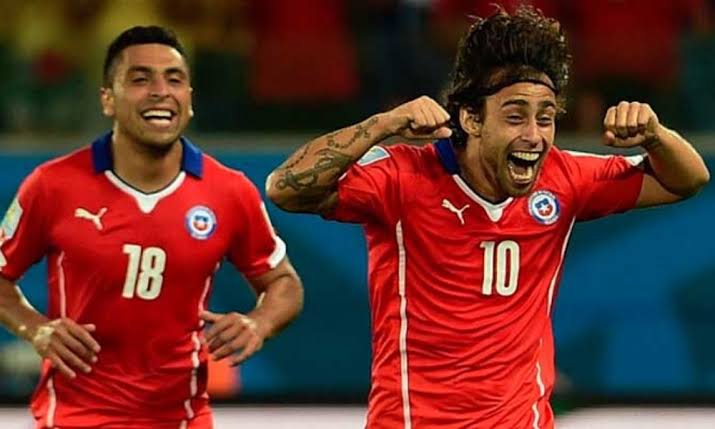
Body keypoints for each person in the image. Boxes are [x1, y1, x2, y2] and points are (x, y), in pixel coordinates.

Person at [266, 6, 709, 428]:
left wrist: (655, 136)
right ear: (471, 118)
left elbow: (686, 179)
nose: (534, 136)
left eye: (546, 117)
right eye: (515, 116)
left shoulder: (565, 178)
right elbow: (285, 187)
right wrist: (383, 124)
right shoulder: (401, 178)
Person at [0, 26, 303, 429]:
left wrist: (259, 323)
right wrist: (36, 328)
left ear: (189, 100)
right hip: (76, 417)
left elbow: (284, 283)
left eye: (174, 79)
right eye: (141, 79)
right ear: (108, 99)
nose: (160, 90)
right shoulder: (52, 185)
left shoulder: (229, 191)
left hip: (182, 417)